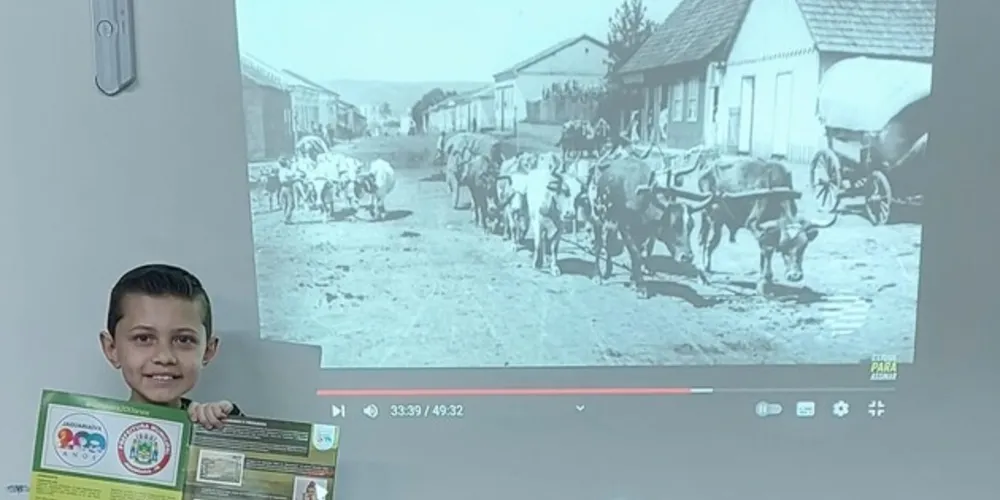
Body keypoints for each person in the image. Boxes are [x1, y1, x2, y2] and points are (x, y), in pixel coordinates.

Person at [99, 263, 242, 430]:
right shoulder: (91, 432)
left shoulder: (215, 426)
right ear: (112, 348)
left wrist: (234, 427)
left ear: (208, 350)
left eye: (183, 340)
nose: (164, 357)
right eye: (143, 338)